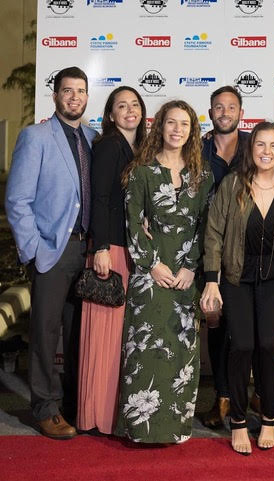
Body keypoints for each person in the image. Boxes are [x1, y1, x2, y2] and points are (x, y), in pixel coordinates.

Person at [5, 66, 98, 439]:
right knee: (45, 334)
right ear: (56, 95)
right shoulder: (36, 136)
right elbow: (17, 200)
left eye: (81, 91)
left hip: (87, 252)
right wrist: (35, 249)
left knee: (79, 334)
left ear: (87, 96)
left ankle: (75, 406)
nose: (75, 97)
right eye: (68, 90)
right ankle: (45, 408)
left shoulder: (93, 139)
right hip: (52, 252)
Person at [115, 100, 213, 444]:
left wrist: (190, 266)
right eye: (171, 122)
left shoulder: (203, 175)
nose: (177, 130)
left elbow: (206, 226)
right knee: (143, 350)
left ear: (192, 131)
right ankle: (139, 429)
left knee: (181, 351)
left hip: (186, 276)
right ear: (160, 127)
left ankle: (175, 427)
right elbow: (133, 223)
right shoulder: (141, 171)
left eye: (184, 124)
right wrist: (152, 264)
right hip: (149, 274)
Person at [201, 122, 274, 455]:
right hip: (236, 277)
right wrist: (211, 280)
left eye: (273, 145)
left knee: (268, 346)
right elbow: (213, 233)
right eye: (260, 144)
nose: (266, 151)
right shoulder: (232, 184)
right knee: (241, 345)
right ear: (250, 149)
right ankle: (238, 420)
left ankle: (268, 417)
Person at [77, 86, 147, 435]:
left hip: (131, 250)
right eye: (122, 105)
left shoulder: (140, 148)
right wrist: (101, 247)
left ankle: (115, 413)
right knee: (104, 335)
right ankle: (96, 416)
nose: (130, 110)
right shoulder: (108, 145)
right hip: (111, 249)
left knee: (121, 336)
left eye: (135, 104)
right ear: (110, 114)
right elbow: (100, 199)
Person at [201, 85, 248, 428]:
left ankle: (248, 395)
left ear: (241, 113)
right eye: (219, 107)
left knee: (247, 330)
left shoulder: (255, 146)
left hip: (248, 250)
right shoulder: (197, 149)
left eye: (231, 107)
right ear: (210, 112)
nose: (225, 112)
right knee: (216, 323)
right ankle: (222, 396)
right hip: (208, 246)